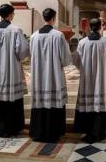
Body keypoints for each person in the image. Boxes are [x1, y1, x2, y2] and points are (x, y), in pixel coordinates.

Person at [0, 4, 30, 137]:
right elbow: (23, 51)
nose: (13, 15)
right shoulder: (15, 30)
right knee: (11, 100)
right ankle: (11, 128)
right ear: (10, 14)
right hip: (11, 72)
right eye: (13, 13)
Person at [29, 8, 72, 142]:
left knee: (40, 101)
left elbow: (31, 55)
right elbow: (66, 59)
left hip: (38, 77)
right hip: (53, 77)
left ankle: (38, 132)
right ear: (54, 18)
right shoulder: (58, 36)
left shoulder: (34, 36)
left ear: (44, 18)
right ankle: (54, 133)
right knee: (54, 101)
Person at [74, 18, 106, 143]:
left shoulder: (82, 42)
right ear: (100, 27)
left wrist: (84, 69)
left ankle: (88, 131)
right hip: (100, 80)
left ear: (89, 27)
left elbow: (76, 61)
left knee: (87, 102)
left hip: (86, 79)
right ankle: (100, 131)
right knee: (99, 103)